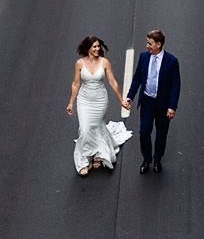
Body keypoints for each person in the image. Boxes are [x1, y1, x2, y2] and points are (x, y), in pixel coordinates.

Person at [66, 36, 128, 175]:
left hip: (100, 101)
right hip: (84, 101)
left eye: (98, 46)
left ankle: (97, 154)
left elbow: (113, 82)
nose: (97, 49)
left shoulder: (105, 62)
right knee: (84, 129)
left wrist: (121, 100)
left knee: (95, 125)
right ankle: (84, 160)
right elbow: (75, 84)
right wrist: (71, 102)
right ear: (88, 48)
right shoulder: (79, 64)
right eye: (94, 47)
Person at [125, 29, 180, 174]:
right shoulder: (144, 57)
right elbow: (137, 78)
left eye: (150, 43)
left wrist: (172, 107)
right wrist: (130, 96)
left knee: (161, 134)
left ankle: (157, 159)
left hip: (163, 104)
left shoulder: (172, 61)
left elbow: (176, 85)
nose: (147, 46)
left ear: (158, 44)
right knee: (144, 132)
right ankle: (147, 159)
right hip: (147, 102)